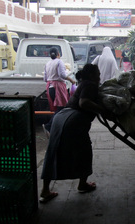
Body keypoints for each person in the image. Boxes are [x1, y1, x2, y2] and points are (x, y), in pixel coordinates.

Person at [39, 64, 105, 203]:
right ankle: (82, 184)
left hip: (61, 117)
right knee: (84, 151)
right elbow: (84, 103)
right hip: (73, 120)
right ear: (92, 75)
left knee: (53, 151)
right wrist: (101, 109)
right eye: (98, 73)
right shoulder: (90, 85)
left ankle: (45, 190)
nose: (99, 76)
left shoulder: (84, 83)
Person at [42, 47, 76, 138]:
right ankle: (48, 126)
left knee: (58, 108)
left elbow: (45, 78)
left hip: (50, 87)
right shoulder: (59, 62)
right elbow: (62, 75)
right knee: (62, 108)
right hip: (58, 87)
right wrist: (71, 80)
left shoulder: (48, 63)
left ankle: (55, 127)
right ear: (58, 54)